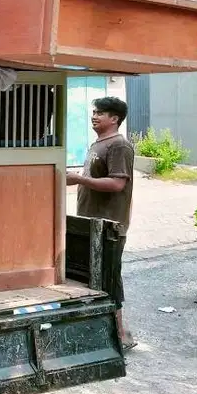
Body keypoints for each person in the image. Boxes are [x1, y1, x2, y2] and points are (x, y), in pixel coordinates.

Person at [65, 96, 136, 350]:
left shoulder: (119, 146)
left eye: (101, 113)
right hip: (89, 221)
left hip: (110, 227)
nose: (94, 116)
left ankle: (120, 333)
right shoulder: (98, 144)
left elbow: (118, 183)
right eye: (94, 112)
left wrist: (79, 180)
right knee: (90, 278)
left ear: (114, 119)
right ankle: (104, 332)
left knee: (109, 278)